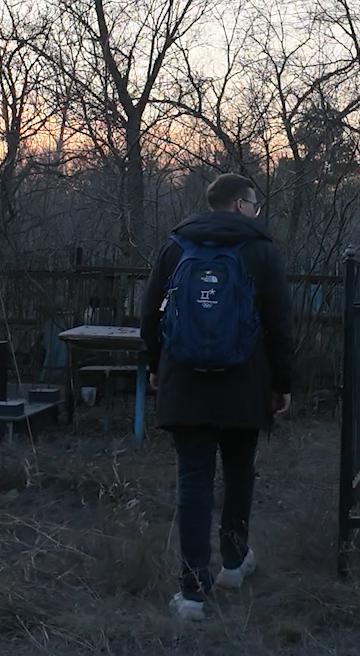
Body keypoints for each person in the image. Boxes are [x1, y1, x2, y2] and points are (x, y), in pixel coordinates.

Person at [140, 173, 295, 622]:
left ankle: (191, 593)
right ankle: (233, 562)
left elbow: (150, 313)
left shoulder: (175, 246)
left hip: (185, 382)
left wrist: (155, 365)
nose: (256, 212)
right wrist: (282, 383)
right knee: (239, 472)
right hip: (245, 383)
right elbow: (280, 322)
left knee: (193, 482)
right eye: (254, 204)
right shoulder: (260, 250)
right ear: (240, 205)